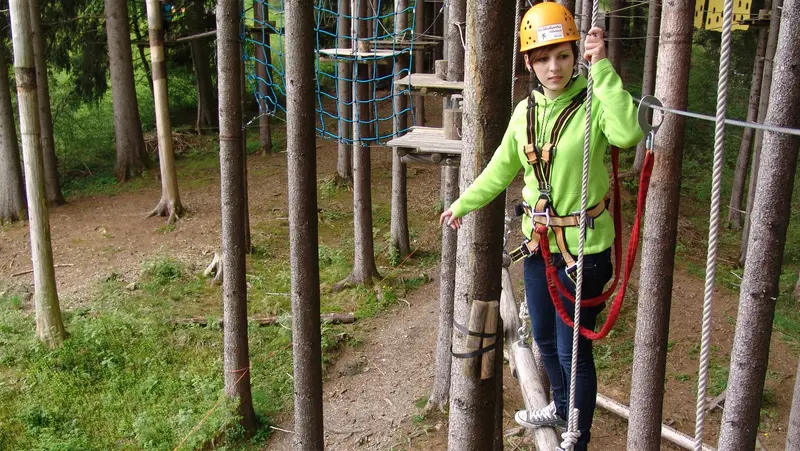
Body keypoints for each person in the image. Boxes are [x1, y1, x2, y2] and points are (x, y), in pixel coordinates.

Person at [438, 3, 642, 450]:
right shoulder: (525, 113)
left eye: (563, 56)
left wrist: (602, 68)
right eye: (544, 58)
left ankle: (577, 435)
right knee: (546, 340)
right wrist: (463, 204)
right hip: (540, 246)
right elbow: (499, 169)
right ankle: (560, 405)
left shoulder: (594, 106)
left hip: (585, 252)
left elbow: (628, 134)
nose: (554, 67)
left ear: (575, 56)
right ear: (530, 63)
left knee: (574, 348)